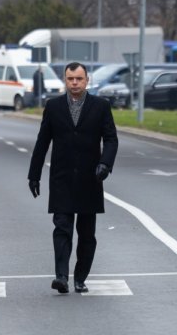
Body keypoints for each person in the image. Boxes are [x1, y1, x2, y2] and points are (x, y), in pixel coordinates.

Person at [28, 62, 119, 294]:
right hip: (62, 178)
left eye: (79, 79)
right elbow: (42, 142)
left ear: (87, 80)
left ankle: (80, 277)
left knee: (87, 233)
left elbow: (111, 139)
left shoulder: (100, 106)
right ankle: (61, 276)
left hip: (91, 179)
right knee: (62, 228)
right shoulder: (54, 106)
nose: (75, 83)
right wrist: (34, 175)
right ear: (64, 80)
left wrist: (105, 164)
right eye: (70, 79)